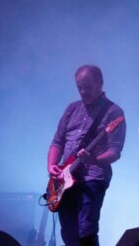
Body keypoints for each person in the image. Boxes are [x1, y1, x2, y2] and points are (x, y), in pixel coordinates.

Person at [48, 65, 126, 246]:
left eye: (87, 87)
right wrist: (52, 165)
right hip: (64, 177)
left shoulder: (113, 112)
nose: (83, 91)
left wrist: (95, 160)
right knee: (68, 231)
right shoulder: (71, 109)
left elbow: (115, 151)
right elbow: (57, 142)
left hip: (93, 177)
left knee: (86, 229)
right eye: (79, 87)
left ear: (100, 83)